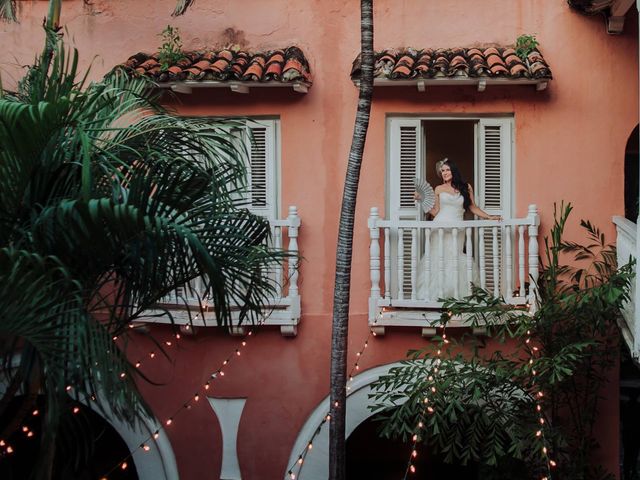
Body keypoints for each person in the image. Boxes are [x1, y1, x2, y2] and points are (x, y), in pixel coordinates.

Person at [415, 158, 500, 300]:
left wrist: (489, 217)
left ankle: (459, 294)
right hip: (440, 227)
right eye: (442, 171)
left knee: (456, 257)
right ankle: (435, 295)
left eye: (447, 170)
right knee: (439, 258)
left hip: (458, 229)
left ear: (453, 170)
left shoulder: (466, 187)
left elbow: (473, 207)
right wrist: (422, 199)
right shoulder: (438, 189)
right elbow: (436, 211)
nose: (444, 173)